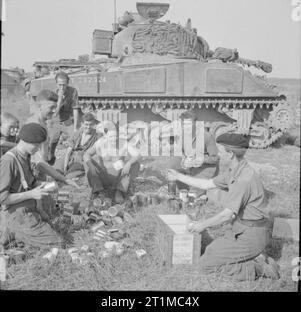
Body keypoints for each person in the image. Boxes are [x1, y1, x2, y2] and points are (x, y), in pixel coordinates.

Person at [167, 133, 280, 281]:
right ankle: (255, 256)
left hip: (252, 234)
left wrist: (202, 225)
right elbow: (207, 184)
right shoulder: (235, 169)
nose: (218, 153)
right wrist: (178, 176)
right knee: (210, 251)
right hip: (241, 228)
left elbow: (228, 215)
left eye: (221, 150)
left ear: (230, 154)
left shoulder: (243, 178)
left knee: (204, 266)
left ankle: (258, 268)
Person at [0, 123, 65, 249]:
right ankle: (14, 232)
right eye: (36, 145)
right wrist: (31, 194)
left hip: (30, 206)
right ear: (24, 141)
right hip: (18, 213)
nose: (39, 148)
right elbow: (2, 198)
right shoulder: (8, 161)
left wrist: (44, 185)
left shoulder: (26, 156)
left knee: (54, 205)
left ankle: (15, 233)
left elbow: (29, 183)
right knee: (58, 243)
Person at [83, 123, 141, 204]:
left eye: (115, 136)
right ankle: (99, 191)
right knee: (88, 162)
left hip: (118, 178)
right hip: (103, 176)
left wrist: (129, 163)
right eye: (111, 137)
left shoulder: (123, 143)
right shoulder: (100, 142)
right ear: (106, 135)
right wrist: (91, 167)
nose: (114, 139)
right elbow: (86, 154)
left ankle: (119, 191)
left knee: (135, 165)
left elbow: (137, 155)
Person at [172, 110, 220, 197]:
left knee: (192, 196)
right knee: (175, 181)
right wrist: (184, 161)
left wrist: (202, 159)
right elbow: (182, 153)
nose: (187, 127)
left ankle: (203, 190)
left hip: (206, 169)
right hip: (190, 168)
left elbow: (216, 158)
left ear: (195, 123)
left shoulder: (206, 136)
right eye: (184, 124)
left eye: (189, 124)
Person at [48, 71, 81, 163]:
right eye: (60, 85)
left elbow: (75, 108)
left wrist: (75, 127)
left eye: (64, 85)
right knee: (52, 142)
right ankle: (50, 158)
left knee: (76, 139)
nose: (62, 87)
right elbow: (54, 113)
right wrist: (59, 99)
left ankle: (73, 161)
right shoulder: (51, 93)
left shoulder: (73, 91)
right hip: (55, 122)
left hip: (67, 121)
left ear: (67, 83)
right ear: (56, 84)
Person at [55, 113, 100, 178]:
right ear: (82, 124)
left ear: (93, 124)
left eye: (90, 125)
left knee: (70, 176)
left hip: (81, 160)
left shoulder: (96, 136)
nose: (88, 127)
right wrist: (65, 168)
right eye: (86, 124)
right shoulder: (78, 133)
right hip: (70, 157)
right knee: (56, 172)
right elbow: (68, 152)